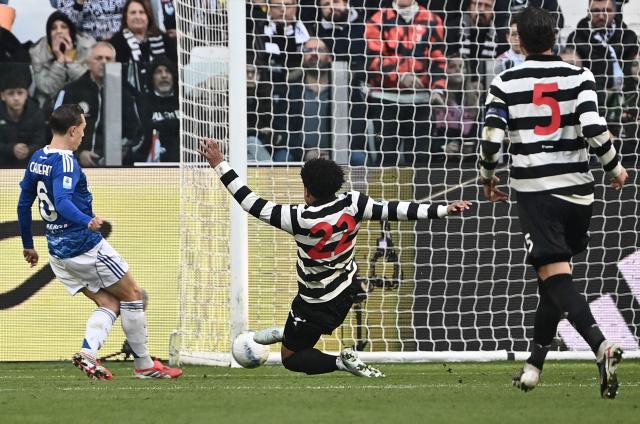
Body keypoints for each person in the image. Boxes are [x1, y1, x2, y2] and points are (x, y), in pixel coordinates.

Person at [199, 138, 472, 377]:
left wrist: (220, 163)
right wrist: (442, 209)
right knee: (298, 333)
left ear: (307, 191)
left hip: (315, 303)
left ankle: (341, 361)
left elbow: (251, 202)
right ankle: (287, 332)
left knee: (292, 358)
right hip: (348, 290)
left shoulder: (298, 218)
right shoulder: (353, 203)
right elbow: (397, 209)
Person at [479, 7, 628, 398]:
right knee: (552, 279)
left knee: (557, 279)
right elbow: (594, 128)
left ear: (521, 41)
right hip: (579, 193)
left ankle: (601, 346)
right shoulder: (580, 76)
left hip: (538, 193)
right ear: (554, 37)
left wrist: (486, 178)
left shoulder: (505, 81)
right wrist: (615, 169)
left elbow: (492, 138)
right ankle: (534, 366)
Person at [17, 103, 182, 380]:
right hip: (84, 246)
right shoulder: (66, 161)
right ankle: (144, 365)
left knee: (109, 304)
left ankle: (88, 353)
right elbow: (63, 201)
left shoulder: (37, 158)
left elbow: (24, 204)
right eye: (82, 128)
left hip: (58, 251)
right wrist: (86, 221)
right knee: (133, 296)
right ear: (72, 130)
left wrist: (27, 244)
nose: (84, 134)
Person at [365, 0, 447, 166]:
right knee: (387, 159)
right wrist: (400, 75)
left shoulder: (432, 19)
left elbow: (438, 58)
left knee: (421, 159)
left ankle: (422, 193)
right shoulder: (378, 19)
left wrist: (438, 90)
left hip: (421, 101)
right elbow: (373, 60)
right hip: (386, 99)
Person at [55, 42, 141, 167]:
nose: (104, 62)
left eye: (108, 59)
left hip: (115, 167)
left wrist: (122, 152)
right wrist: (78, 154)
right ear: (88, 63)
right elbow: (57, 130)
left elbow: (136, 132)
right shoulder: (71, 91)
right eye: (99, 58)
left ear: (115, 63)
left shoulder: (126, 94)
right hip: (73, 166)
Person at [566, 0, 638, 108]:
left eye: (606, 11)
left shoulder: (628, 37)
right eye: (596, 11)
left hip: (627, 100)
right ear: (588, 12)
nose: (601, 16)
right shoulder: (577, 37)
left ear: (615, 12)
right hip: (591, 99)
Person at [30, 11, 96, 112]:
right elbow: (47, 88)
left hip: (82, 104)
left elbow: (89, 84)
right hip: (50, 106)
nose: (59, 31)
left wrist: (69, 61)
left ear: (71, 30)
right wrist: (60, 61)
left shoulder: (88, 47)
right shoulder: (38, 51)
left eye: (64, 27)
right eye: (53, 28)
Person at [108, 0, 177, 93]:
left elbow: (174, 71)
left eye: (142, 12)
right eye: (133, 13)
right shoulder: (116, 42)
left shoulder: (164, 40)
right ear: (126, 17)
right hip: (130, 97)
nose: (137, 16)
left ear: (148, 16)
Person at [134, 56, 179, 162]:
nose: (164, 76)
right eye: (158, 72)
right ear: (151, 78)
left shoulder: (185, 102)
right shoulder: (141, 102)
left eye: (168, 71)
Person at [0, 73, 47, 168]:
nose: (16, 98)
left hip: (30, 166)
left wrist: (28, 150)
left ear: (26, 94)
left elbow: (42, 142)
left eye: (20, 93)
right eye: (11, 93)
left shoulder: (36, 113)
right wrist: (11, 149)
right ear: (2, 96)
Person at [53, 0, 126, 41]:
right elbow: (67, 25)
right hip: (87, 42)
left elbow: (133, 15)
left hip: (122, 38)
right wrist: (79, 4)